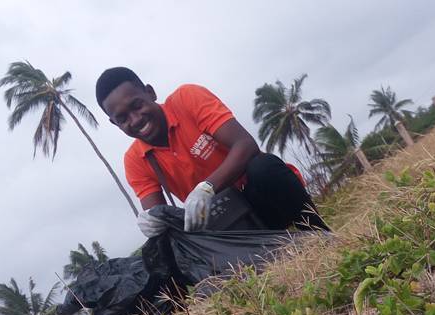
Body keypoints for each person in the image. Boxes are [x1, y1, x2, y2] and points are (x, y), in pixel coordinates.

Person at [94, 67, 329, 236]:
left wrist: (207, 187)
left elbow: (245, 145)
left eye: (137, 105)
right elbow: (159, 213)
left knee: (264, 167)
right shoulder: (136, 160)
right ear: (115, 124)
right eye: (122, 119)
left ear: (150, 93)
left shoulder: (187, 99)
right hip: (228, 226)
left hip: (265, 197)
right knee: (164, 240)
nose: (135, 120)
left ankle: (320, 235)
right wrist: (152, 222)